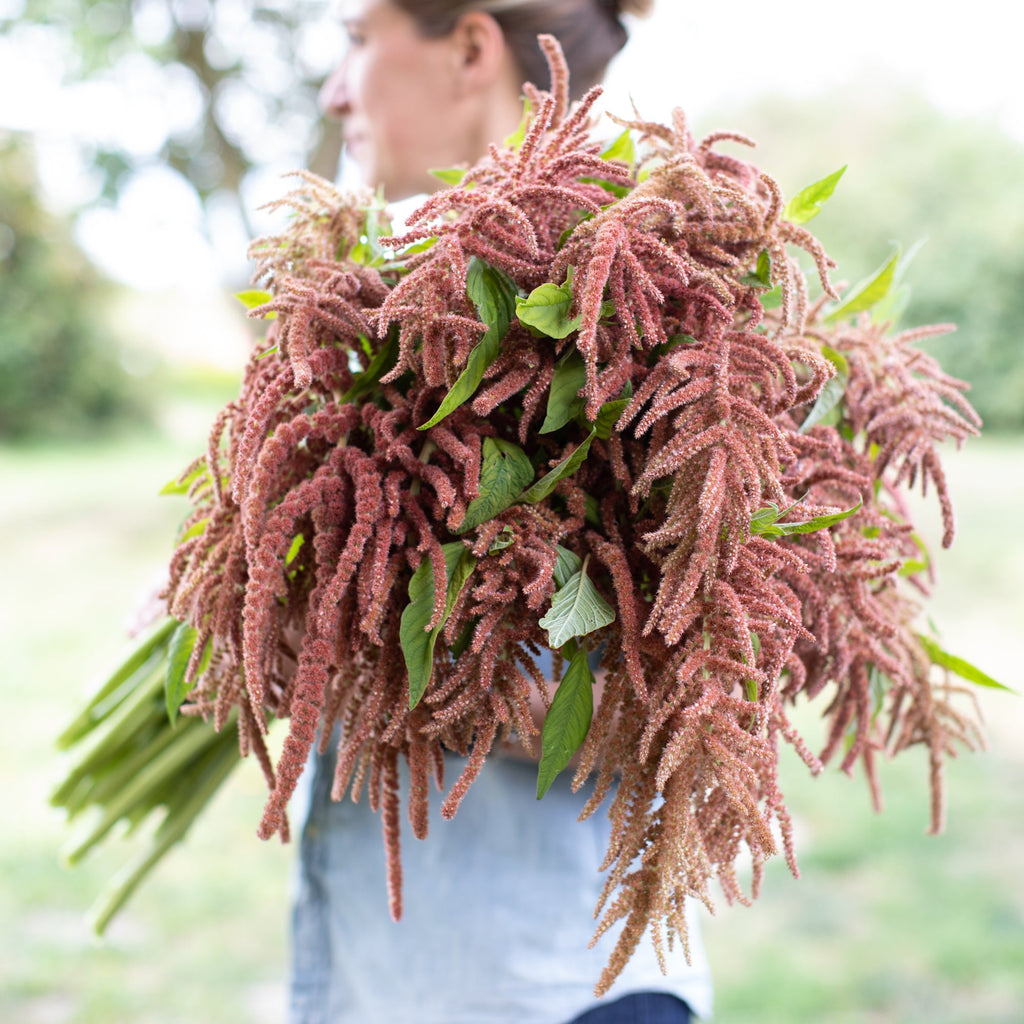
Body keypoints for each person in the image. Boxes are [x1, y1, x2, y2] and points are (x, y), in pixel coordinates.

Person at [289, 3, 714, 1022]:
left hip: (557, 992)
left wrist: (359, 653)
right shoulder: (399, 301)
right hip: (385, 980)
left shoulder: (659, 307)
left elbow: (699, 714)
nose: (335, 91)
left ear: (470, 48)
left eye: (358, 37)